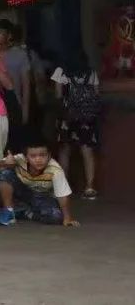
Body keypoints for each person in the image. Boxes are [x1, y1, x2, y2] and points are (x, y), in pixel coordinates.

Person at [0, 140, 80, 227]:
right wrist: (6, 163)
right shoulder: (19, 159)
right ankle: (8, 211)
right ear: (26, 157)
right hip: (23, 191)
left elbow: (63, 196)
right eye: (33, 156)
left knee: (56, 217)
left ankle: (26, 212)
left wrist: (67, 218)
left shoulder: (56, 170)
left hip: (43, 197)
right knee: (4, 173)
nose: (38, 159)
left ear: (49, 156)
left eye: (42, 155)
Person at [52, 51, 101, 199]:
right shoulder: (91, 72)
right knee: (87, 150)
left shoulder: (61, 71)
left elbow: (58, 95)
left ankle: (63, 185)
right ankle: (90, 187)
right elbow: (96, 94)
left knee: (65, 150)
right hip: (86, 118)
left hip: (68, 116)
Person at [0, 19, 32, 152]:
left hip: (15, 103)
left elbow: (26, 85)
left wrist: (25, 110)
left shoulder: (20, 54)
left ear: (9, 35)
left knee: (15, 145)